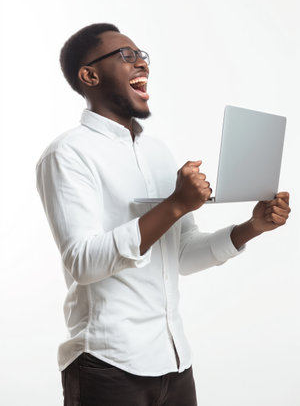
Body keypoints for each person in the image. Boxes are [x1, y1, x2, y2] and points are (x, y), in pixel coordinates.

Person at [36, 23, 291, 406]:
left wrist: (251, 228)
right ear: (89, 75)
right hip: (107, 365)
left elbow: (182, 255)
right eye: (126, 55)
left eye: (142, 55)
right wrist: (174, 204)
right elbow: (83, 263)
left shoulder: (157, 152)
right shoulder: (67, 154)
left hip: (174, 362)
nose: (142, 63)